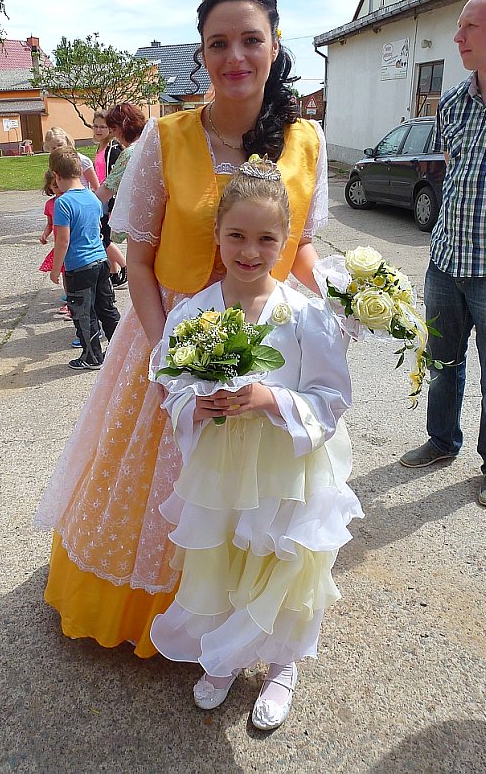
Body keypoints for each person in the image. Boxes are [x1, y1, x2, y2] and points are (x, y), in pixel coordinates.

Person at [34, 0, 330, 657]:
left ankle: (244, 625)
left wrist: (337, 312)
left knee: (256, 496)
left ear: (275, 43)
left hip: (268, 347)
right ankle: (162, 616)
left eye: (249, 40)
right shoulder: (164, 141)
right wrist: (174, 352)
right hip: (169, 340)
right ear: (200, 52)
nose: (235, 57)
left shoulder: (306, 141)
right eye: (218, 43)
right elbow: (136, 258)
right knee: (158, 489)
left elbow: (304, 250)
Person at [149, 158, 361, 729]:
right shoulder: (196, 313)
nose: (249, 250)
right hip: (221, 469)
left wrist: (273, 401)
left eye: (266, 238)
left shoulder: (305, 315)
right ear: (216, 235)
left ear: (286, 240)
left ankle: (282, 665)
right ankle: (222, 655)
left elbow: (332, 395)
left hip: (283, 469)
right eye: (236, 235)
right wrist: (195, 404)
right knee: (221, 557)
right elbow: (169, 377)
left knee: (281, 564)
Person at [399, 0, 486, 510]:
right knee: (441, 361)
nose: (457, 37)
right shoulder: (455, 100)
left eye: (470, 27)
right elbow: (452, 171)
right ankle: (442, 441)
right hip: (446, 260)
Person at [48, 146, 120, 370]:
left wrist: (55, 269)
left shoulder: (63, 203)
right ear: (80, 172)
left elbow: (63, 241)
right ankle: (121, 349)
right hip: (100, 262)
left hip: (79, 267)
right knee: (106, 308)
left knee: (83, 314)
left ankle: (92, 357)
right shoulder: (92, 196)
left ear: (57, 176)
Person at [94, 103, 149, 289]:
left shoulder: (130, 153)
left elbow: (106, 189)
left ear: (123, 127)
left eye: (114, 129)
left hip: (141, 222)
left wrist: (80, 205)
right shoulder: (154, 143)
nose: (114, 134)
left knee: (141, 274)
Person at [93, 109, 127, 287]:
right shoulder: (99, 147)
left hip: (108, 199)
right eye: (96, 126)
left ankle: (125, 267)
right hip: (100, 197)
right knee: (104, 237)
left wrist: (114, 204)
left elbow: (116, 179)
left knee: (104, 239)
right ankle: (113, 272)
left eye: (103, 127)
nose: (98, 130)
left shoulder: (114, 149)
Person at [38, 170, 70, 316]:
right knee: (64, 275)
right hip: (59, 245)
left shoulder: (70, 200)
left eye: (60, 185)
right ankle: (70, 299)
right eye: (55, 186)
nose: (59, 188)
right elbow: (50, 224)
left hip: (71, 244)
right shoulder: (50, 204)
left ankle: (73, 300)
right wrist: (45, 234)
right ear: (50, 187)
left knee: (71, 274)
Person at [43, 127, 100, 191]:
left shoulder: (82, 160)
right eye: (53, 148)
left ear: (67, 141)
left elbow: (96, 186)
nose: (58, 149)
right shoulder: (55, 164)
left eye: (60, 145)